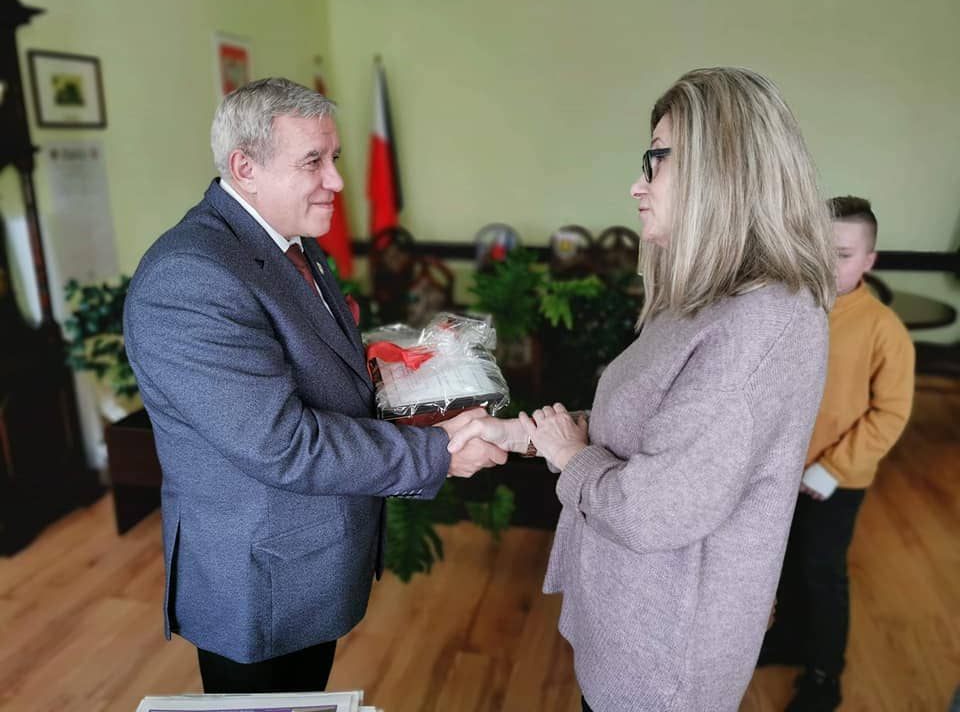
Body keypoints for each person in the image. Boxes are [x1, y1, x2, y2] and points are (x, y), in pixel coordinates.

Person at [448, 67, 836, 711]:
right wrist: (518, 434)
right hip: (629, 621)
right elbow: (639, 424)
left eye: (656, 160)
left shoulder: (763, 324)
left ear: (723, 168)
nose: (638, 184)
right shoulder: (704, 298)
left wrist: (568, 456)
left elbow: (651, 509)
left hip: (666, 662)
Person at [123, 77, 505, 693]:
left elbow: (314, 364)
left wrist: (413, 381)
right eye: (313, 162)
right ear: (245, 168)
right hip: (260, 577)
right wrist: (438, 452)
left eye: (335, 158)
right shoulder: (190, 278)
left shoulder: (290, 240)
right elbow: (282, 443)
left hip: (308, 555)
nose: (337, 181)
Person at [759, 196, 915, 711]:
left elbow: (889, 415)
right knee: (784, 563)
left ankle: (826, 673)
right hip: (779, 471)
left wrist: (831, 468)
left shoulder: (884, 330)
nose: (827, 264)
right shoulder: (788, 308)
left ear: (869, 260)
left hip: (836, 480)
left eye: (843, 255)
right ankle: (789, 639)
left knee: (821, 572)